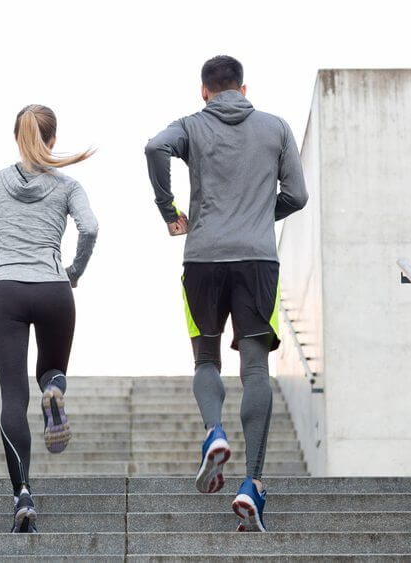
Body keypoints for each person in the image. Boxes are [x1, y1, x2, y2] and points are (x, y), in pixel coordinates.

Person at [144, 55, 307, 532]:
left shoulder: (191, 125)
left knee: (205, 361)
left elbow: (154, 147)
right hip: (258, 260)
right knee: (255, 367)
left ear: (204, 91)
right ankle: (251, 483)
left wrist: (168, 209)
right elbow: (296, 195)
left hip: (202, 259)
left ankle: (214, 432)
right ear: (244, 86)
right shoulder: (275, 127)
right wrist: (257, 214)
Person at [0, 104, 98, 533]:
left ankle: (22, 494)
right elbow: (91, 228)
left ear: (16, 138)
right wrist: (74, 271)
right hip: (53, 288)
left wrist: (12, 239)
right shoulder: (68, 185)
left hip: (5, 289)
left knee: (12, 398)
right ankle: (54, 389)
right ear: (53, 140)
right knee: (50, 370)